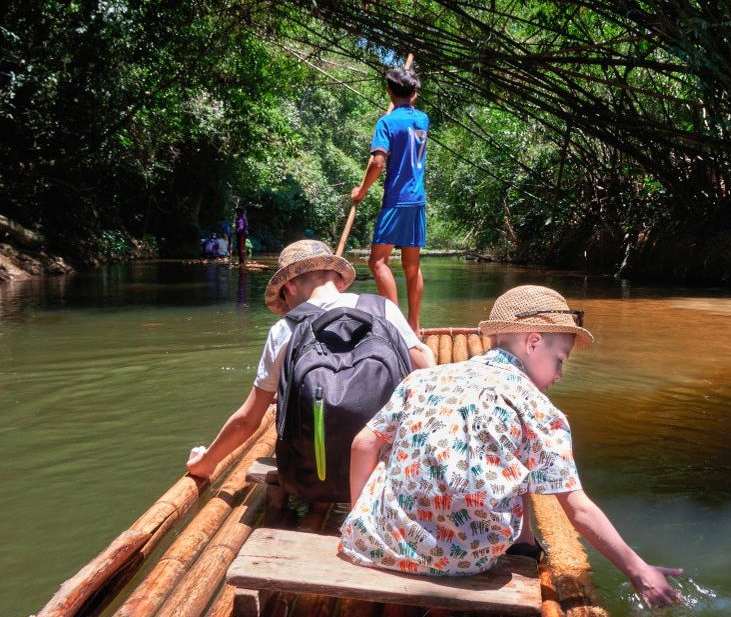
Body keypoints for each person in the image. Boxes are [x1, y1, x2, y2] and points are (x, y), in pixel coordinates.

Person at [340, 286, 683, 608]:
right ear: (533, 342)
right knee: (517, 459)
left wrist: (361, 517)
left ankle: (380, 521)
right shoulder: (540, 410)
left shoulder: (422, 379)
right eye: (560, 361)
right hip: (465, 561)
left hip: (373, 544)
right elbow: (578, 509)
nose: (560, 375)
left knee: (393, 445)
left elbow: (362, 444)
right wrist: (639, 570)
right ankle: (524, 541)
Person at [186, 239, 434, 481]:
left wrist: (205, 462)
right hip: (388, 471)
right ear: (338, 281)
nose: (287, 306)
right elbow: (426, 370)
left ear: (290, 285)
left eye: (284, 297)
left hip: (310, 478)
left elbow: (247, 421)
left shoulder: (285, 329)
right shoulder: (382, 308)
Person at [351, 66, 428, 331]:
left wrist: (361, 191)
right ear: (415, 94)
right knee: (412, 265)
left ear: (389, 91)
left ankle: (397, 327)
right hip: (417, 199)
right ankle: (414, 325)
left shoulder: (386, 123)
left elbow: (378, 163)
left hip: (396, 199)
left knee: (377, 261)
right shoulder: (423, 120)